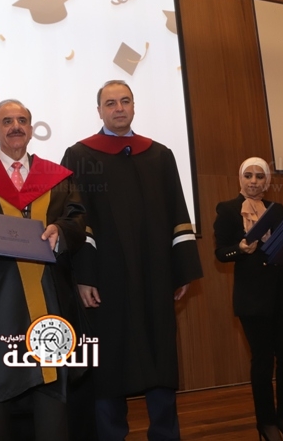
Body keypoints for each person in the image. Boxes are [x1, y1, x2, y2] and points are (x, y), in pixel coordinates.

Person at [60, 80, 203, 441]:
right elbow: (74, 219)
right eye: (111, 103)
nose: (119, 108)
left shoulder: (160, 155)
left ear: (134, 106)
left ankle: (165, 434)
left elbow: (178, 212)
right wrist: (83, 275)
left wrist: (181, 269)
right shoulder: (79, 156)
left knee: (160, 358)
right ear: (99, 111)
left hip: (155, 276)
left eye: (125, 101)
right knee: (109, 363)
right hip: (105, 279)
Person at [0, 99, 86, 441]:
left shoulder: (56, 177)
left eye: (22, 120)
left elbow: (77, 219)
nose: (15, 126)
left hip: (48, 296)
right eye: (7, 121)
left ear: (32, 129)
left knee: (51, 385)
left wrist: (61, 231)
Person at [213, 157, 283, 441]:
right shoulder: (228, 209)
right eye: (248, 176)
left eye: (259, 176)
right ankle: (266, 424)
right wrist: (240, 248)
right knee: (263, 361)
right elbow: (221, 253)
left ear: (266, 181)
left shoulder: (276, 209)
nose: (254, 181)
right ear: (240, 178)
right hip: (252, 299)